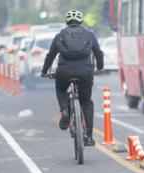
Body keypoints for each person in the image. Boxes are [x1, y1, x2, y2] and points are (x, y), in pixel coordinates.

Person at [41, 9, 104, 146]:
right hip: (85, 72)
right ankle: (89, 137)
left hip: (64, 71)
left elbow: (50, 55)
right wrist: (100, 68)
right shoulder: (89, 35)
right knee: (86, 103)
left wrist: (45, 72)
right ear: (80, 21)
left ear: (67, 22)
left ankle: (65, 112)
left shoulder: (60, 35)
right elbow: (98, 53)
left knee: (60, 89)